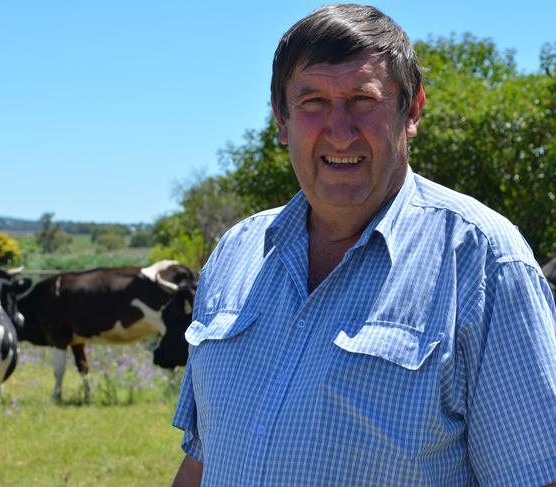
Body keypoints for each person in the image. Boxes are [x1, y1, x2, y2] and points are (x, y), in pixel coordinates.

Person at [171, 4, 556, 486]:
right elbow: (204, 461)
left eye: (362, 99)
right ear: (282, 119)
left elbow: (536, 476)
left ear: (411, 110)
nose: (340, 130)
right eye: (312, 101)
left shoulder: (484, 261)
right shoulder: (236, 253)